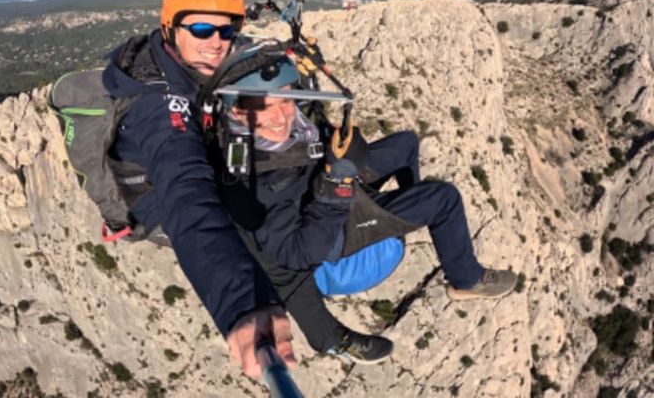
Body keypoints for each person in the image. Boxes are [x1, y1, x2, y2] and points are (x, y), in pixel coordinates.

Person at [211, 49, 517, 361]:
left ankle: (405, 218)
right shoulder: (255, 182)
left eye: (286, 100)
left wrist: (335, 140)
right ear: (237, 112)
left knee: (406, 144)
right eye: (265, 106)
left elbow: (304, 128)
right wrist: (338, 182)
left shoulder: (282, 128)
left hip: (323, 181)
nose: (281, 117)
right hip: (330, 232)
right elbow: (299, 253)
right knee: (443, 198)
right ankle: (466, 279)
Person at [101, 0, 295, 377]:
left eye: (227, 29)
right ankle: (322, 330)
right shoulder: (159, 106)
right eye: (203, 28)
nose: (217, 41)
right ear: (169, 29)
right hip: (163, 204)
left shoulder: (172, 61)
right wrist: (240, 305)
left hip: (181, 180)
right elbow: (186, 195)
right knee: (271, 226)